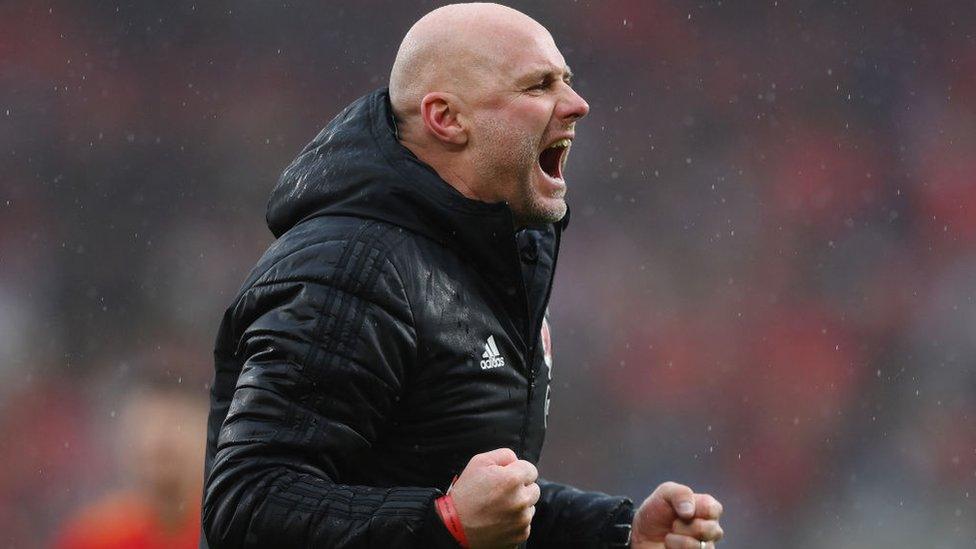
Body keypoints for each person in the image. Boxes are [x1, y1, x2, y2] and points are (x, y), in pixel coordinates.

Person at [202, 3, 725, 548]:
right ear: (446, 119)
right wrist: (443, 523)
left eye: (566, 80)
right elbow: (248, 506)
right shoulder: (350, 269)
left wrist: (617, 535)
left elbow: (474, 505)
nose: (577, 104)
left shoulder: (495, 254)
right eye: (538, 86)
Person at [56, 374, 207, 549]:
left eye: (177, 423)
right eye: (149, 425)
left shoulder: (231, 530)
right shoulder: (96, 538)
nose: (161, 442)